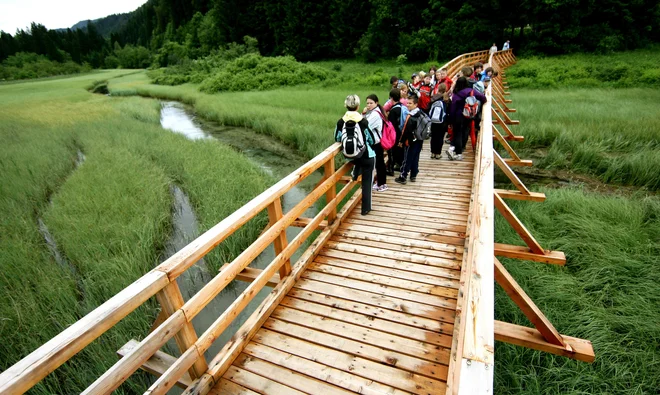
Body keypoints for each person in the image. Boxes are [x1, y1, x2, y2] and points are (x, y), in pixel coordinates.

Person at [335, 94, 376, 215]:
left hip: (351, 157)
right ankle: (365, 209)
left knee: (357, 165)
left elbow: (336, 137)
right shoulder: (363, 121)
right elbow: (371, 139)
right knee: (367, 182)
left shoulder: (340, 122)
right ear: (358, 107)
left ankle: (355, 174)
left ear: (346, 106)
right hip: (366, 156)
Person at [447, 77, 487, 161]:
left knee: (457, 134)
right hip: (469, 115)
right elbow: (483, 98)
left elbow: (453, 108)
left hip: (458, 116)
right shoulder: (471, 91)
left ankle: (458, 153)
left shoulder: (456, 94)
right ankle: (461, 149)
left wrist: (450, 120)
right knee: (465, 131)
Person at [395, 95, 425, 184]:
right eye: (407, 103)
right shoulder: (421, 112)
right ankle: (413, 175)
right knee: (415, 158)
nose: (408, 105)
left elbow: (405, 130)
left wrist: (401, 141)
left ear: (415, 104)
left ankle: (403, 176)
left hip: (411, 141)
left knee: (407, 158)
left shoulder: (410, 116)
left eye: (410, 103)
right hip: (419, 139)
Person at [364, 94, 388, 192]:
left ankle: (382, 184)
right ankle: (380, 183)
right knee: (379, 163)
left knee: (379, 164)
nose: (369, 105)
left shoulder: (375, 114)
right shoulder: (374, 112)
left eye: (371, 103)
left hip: (376, 143)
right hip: (376, 142)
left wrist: (362, 115)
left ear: (376, 103)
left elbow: (365, 125)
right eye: (367, 103)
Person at [387, 88, 406, 175]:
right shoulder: (402, 106)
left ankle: (390, 169)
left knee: (392, 151)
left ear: (391, 98)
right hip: (401, 132)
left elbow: (390, 125)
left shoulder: (393, 110)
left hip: (394, 133)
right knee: (400, 150)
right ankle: (400, 165)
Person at [429, 85, 449, 159]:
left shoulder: (434, 98)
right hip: (442, 121)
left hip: (433, 120)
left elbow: (429, 108)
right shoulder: (446, 99)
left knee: (433, 136)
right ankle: (438, 153)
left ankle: (432, 152)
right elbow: (448, 110)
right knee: (440, 137)